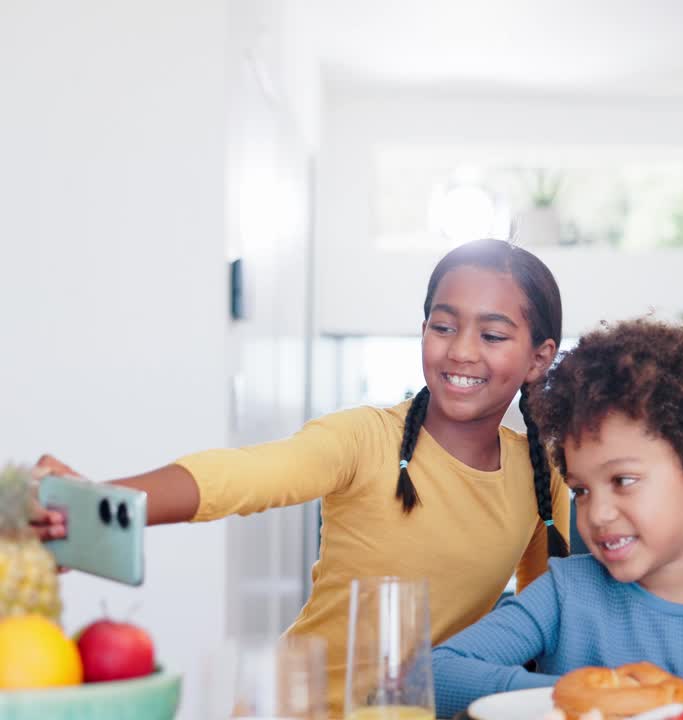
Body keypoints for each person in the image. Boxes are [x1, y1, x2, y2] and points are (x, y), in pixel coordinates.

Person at [32, 238, 570, 715]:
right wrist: (98, 501)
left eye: (493, 335)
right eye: (443, 325)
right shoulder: (365, 439)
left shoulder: (541, 475)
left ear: (539, 358)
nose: (461, 350)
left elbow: (547, 617)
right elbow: (243, 476)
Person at [420, 319, 683, 718]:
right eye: (581, 491)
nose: (597, 514)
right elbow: (437, 675)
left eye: (623, 480)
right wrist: (598, 697)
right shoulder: (566, 593)